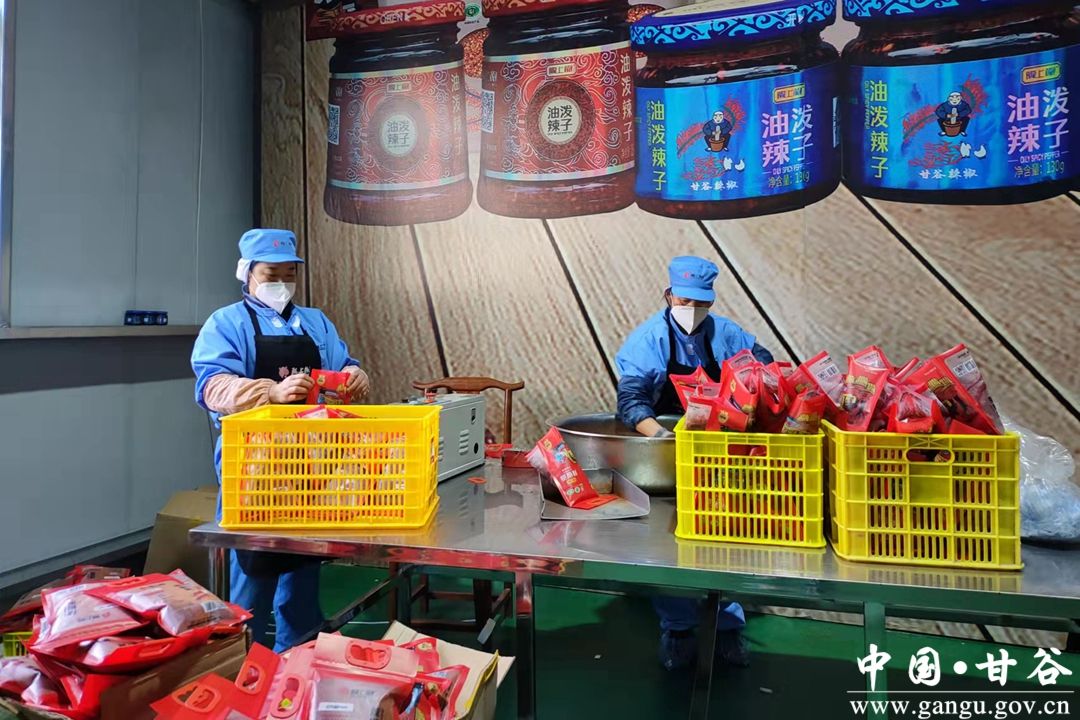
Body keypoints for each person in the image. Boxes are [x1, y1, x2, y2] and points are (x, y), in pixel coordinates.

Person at [191, 228, 370, 652]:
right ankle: (242, 665)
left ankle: (298, 662)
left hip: (311, 466)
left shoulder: (315, 322)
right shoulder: (227, 323)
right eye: (272, 274)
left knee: (303, 574)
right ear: (247, 273)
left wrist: (354, 375)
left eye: (290, 274)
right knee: (253, 577)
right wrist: (268, 392)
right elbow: (212, 386)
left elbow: (342, 364)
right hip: (255, 468)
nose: (282, 284)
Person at [615, 256, 773, 671]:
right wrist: (663, 438)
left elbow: (765, 365)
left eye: (701, 302)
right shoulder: (649, 339)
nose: (692, 309)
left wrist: (756, 389)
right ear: (668, 295)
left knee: (728, 539)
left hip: (721, 451)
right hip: (668, 455)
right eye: (685, 301)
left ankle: (728, 627)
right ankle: (679, 629)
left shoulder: (727, 333)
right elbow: (631, 401)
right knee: (667, 545)